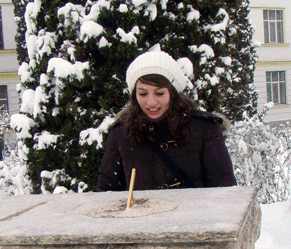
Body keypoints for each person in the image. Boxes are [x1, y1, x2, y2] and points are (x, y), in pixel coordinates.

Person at [97, 50, 236, 191]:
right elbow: (107, 193)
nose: (151, 102)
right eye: (143, 93)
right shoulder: (121, 132)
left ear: (173, 92)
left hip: (194, 213)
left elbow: (224, 193)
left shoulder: (205, 128)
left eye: (160, 93)